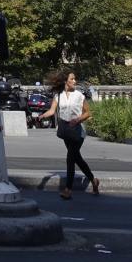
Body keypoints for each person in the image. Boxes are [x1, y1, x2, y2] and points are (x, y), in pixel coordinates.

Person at [39, 71, 99, 199]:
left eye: (75, 78)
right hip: (66, 131)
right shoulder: (58, 96)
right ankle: (94, 180)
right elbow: (52, 110)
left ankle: (68, 189)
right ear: (65, 81)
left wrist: (77, 120)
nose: (75, 81)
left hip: (78, 131)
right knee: (77, 158)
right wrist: (43, 115)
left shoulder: (79, 95)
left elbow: (88, 113)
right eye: (72, 79)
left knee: (70, 158)